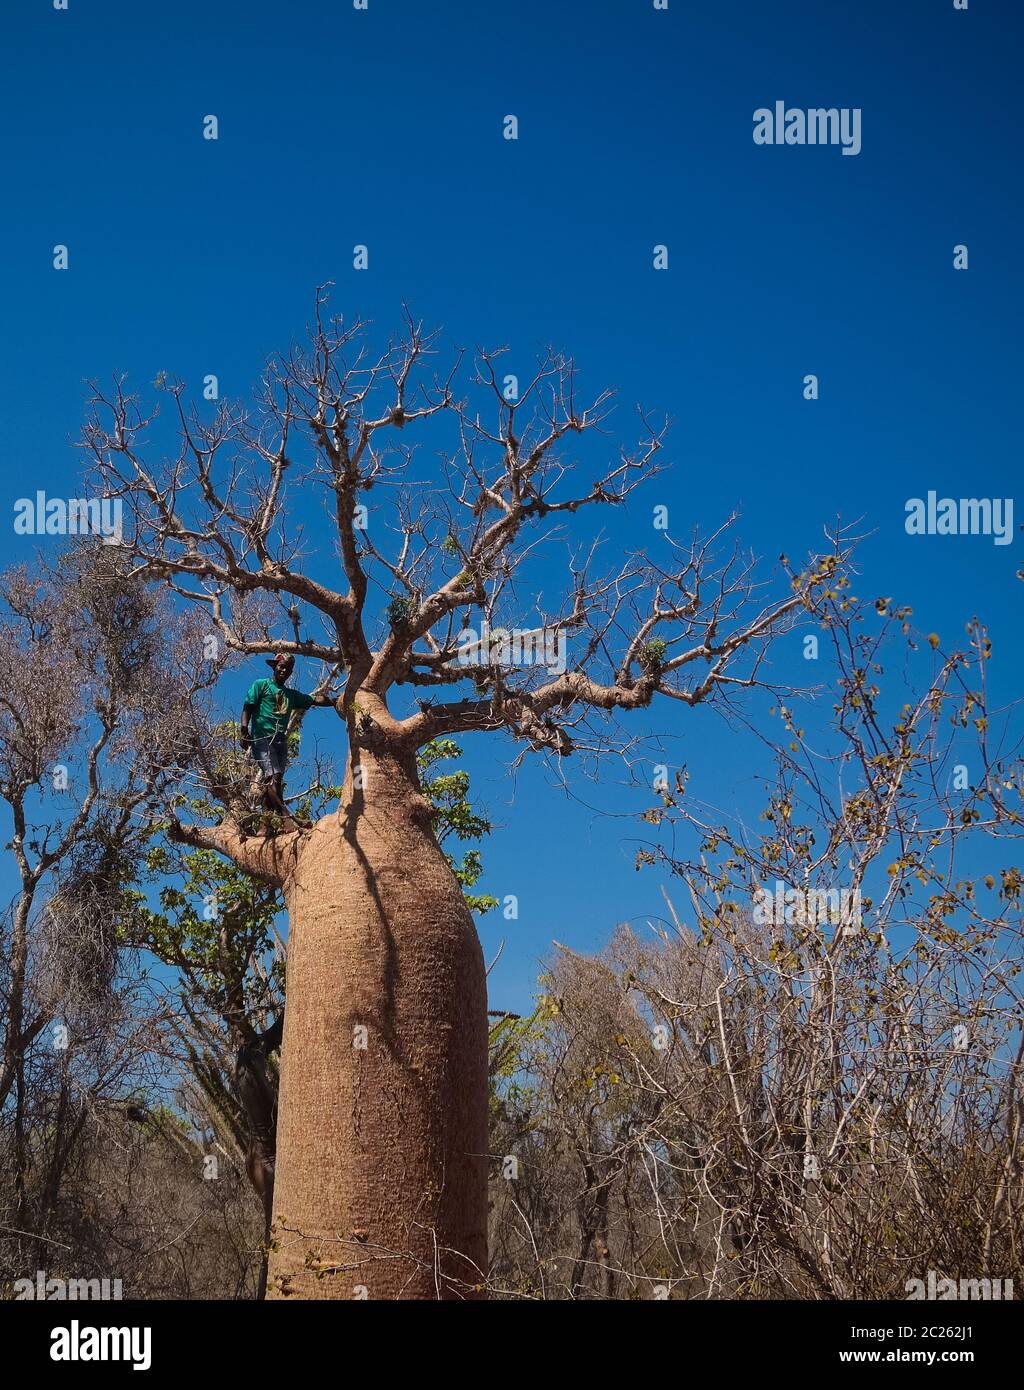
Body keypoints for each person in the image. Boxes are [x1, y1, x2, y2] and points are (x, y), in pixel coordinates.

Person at [239, 654, 332, 824]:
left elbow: (314, 699)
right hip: (261, 737)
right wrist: (244, 730)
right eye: (281, 666)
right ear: (274, 667)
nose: (284, 670)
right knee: (272, 776)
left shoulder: (291, 695)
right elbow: (247, 708)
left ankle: (265, 826)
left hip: (280, 740)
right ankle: (287, 817)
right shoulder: (261, 685)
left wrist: (335, 701)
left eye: (288, 669)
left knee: (275, 781)